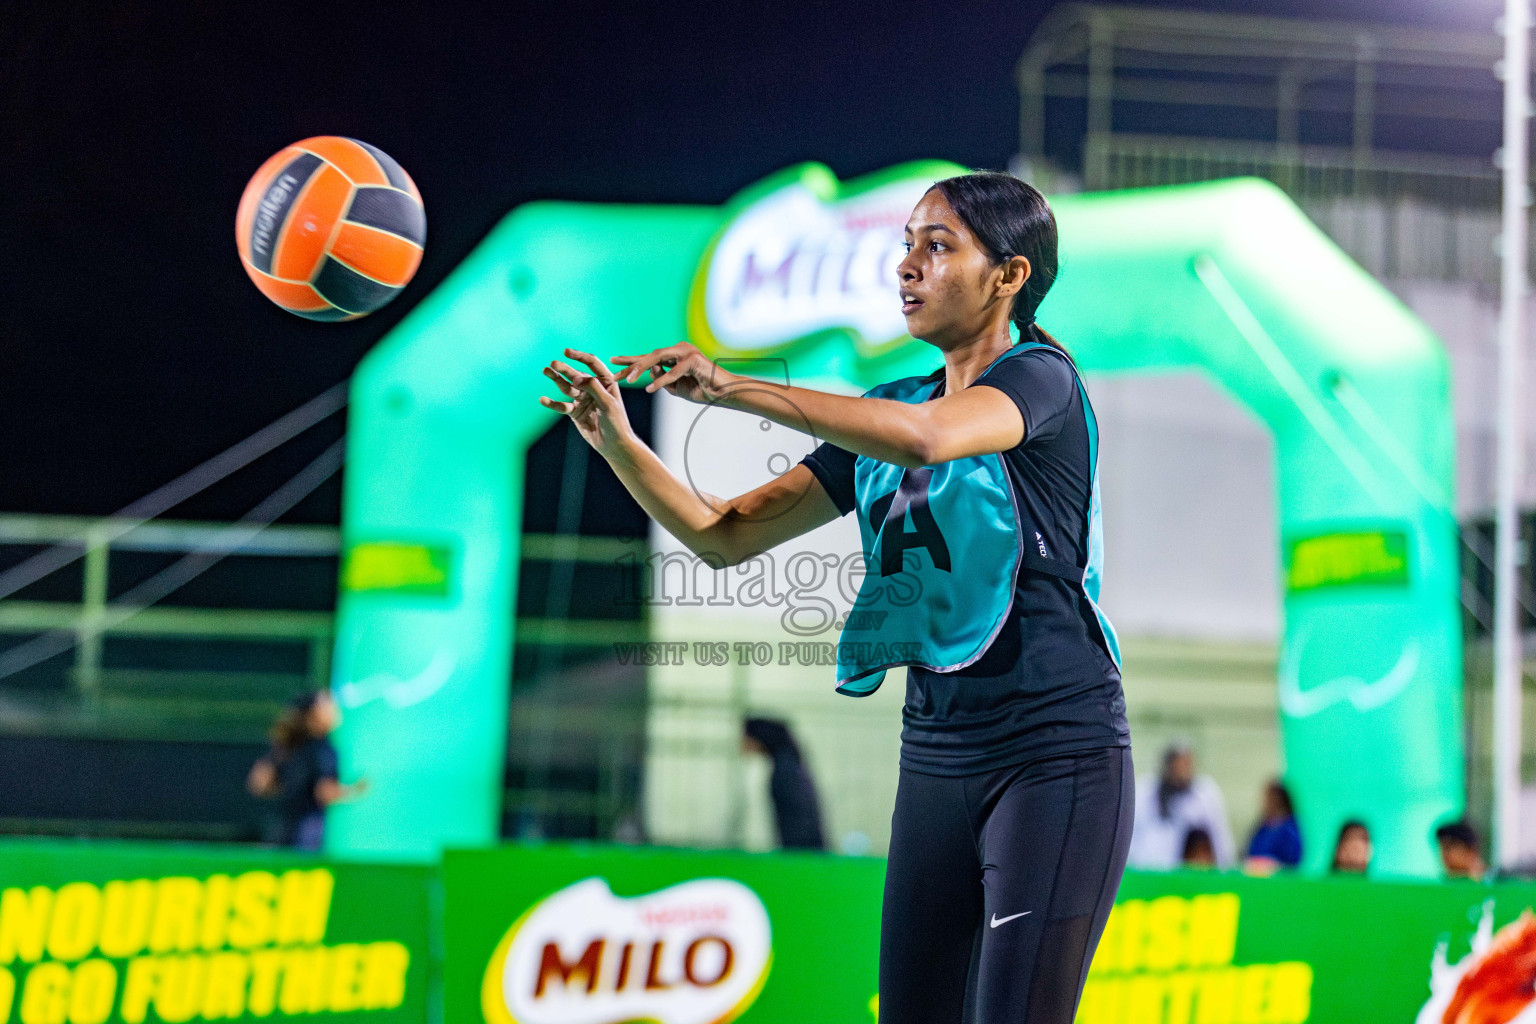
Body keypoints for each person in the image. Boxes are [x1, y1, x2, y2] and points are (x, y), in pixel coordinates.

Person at [540, 170, 1133, 1024]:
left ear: (1009, 277)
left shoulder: (1040, 381)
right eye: (907, 246)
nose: (909, 268)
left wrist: (731, 386)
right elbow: (722, 537)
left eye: (940, 247)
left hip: (1056, 751)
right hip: (936, 752)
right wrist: (620, 445)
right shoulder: (888, 410)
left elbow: (931, 442)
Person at [247, 690, 366, 850]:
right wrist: (354, 790)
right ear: (313, 714)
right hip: (305, 835)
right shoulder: (324, 750)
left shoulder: (286, 745)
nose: (334, 709)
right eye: (327, 704)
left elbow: (260, 784)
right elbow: (324, 793)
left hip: (278, 830)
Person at [1129, 743, 1235, 870]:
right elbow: (1132, 833)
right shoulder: (1145, 790)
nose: (1181, 770)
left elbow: (1219, 835)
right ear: (1167, 765)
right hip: (1147, 869)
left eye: (1186, 764)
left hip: (1187, 873)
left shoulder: (1205, 792)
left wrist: (1225, 867)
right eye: (1177, 764)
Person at [742, 717, 827, 851]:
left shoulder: (785, 769)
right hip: (804, 851)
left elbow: (799, 820)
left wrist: (793, 855)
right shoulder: (788, 764)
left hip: (801, 853)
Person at [1244, 779, 1303, 872]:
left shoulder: (1290, 829)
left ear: (1279, 800)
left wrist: (1274, 864)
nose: (1265, 802)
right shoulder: (1262, 827)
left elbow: (1294, 859)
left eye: (1270, 798)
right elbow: (1250, 852)